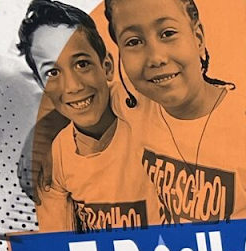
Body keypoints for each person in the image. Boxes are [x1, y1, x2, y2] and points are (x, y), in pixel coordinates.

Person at [104, 0, 246, 223]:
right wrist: (45, 137)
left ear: (198, 38)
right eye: (133, 41)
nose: (156, 58)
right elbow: (78, 94)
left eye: (168, 33)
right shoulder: (132, 103)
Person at [17, 0, 160, 232]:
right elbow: (59, 246)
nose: (73, 86)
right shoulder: (56, 157)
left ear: (107, 66)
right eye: (52, 72)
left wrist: (42, 130)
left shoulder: (146, 106)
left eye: (82, 64)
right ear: (41, 84)